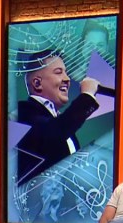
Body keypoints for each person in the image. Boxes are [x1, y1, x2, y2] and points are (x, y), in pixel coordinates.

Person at [15, 49, 100, 185]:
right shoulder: (23, 112)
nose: (67, 79)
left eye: (66, 72)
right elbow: (52, 133)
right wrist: (87, 96)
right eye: (59, 72)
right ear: (37, 83)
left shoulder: (58, 121)